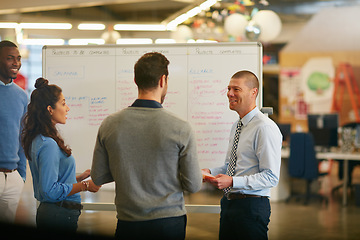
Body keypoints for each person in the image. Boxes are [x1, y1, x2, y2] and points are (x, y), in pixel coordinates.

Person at [91, 52, 202, 240]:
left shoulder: (109, 124)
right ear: (163, 80)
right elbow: (193, 184)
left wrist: (127, 168)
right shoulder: (181, 128)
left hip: (128, 223)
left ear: (135, 80)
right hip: (169, 223)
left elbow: (98, 176)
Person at [202, 70, 282, 240]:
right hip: (230, 204)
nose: (230, 94)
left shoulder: (264, 128)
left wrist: (232, 181)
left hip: (251, 207)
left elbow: (271, 177)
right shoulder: (237, 126)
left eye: (236, 89)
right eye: (229, 89)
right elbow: (231, 166)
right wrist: (209, 171)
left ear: (254, 92)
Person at [21, 77, 101, 233]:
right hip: (58, 215)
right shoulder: (48, 144)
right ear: (50, 109)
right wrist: (84, 186)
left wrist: (77, 178)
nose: (67, 109)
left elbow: (50, 181)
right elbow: (49, 191)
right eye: (63, 104)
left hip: (55, 213)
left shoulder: (38, 139)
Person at [0, 40, 28, 223]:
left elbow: (22, 137)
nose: (16, 63)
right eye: (10, 58)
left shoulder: (21, 96)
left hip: (13, 177)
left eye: (18, 58)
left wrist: (22, 175)